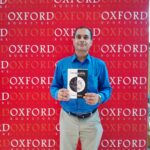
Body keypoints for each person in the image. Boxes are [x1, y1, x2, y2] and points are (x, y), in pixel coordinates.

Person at [50, 26, 112, 150]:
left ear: (91, 42)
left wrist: (99, 97)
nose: (82, 40)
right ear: (73, 40)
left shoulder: (100, 65)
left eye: (86, 37)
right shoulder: (62, 64)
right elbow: (54, 86)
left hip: (91, 119)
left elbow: (107, 89)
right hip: (68, 118)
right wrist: (57, 93)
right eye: (78, 37)